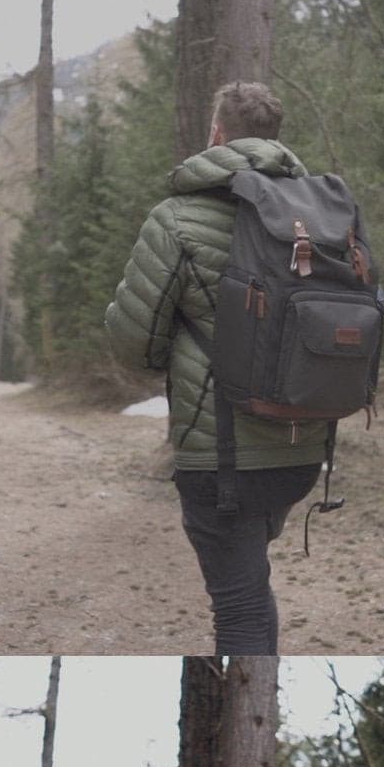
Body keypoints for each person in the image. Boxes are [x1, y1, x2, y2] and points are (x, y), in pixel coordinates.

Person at [104, 83, 326, 657]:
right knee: (249, 587)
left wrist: (176, 348)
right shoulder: (318, 214)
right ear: (276, 140)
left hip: (221, 460)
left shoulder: (176, 218)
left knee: (239, 606)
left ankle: (250, 702)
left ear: (217, 135)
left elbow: (132, 341)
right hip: (302, 448)